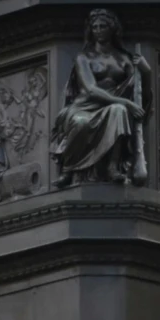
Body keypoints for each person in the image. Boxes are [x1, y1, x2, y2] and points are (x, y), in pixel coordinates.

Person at [50, 10, 148, 187]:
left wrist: (146, 71)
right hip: (85, 106)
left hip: (112, 107)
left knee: (119, 111)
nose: (98, 30)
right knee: (80, 123)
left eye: (103, 26)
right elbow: (91, 89)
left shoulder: (124, 59)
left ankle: (112, 166)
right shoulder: (84, 57)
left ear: (112, 29)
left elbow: (140, 93)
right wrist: (125, 102)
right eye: (94, 27)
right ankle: (68, 169)